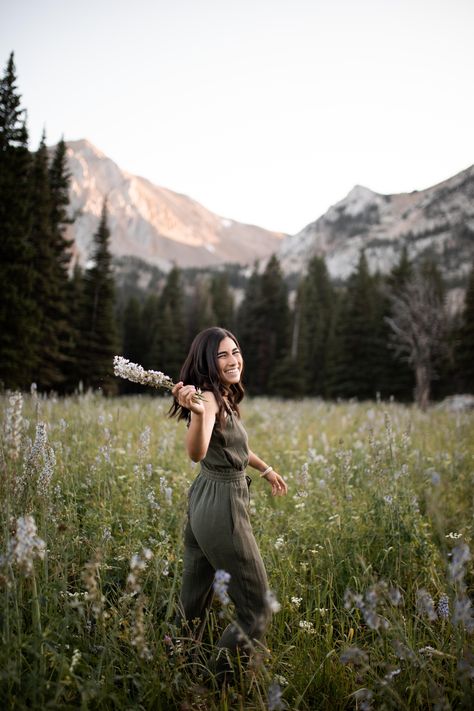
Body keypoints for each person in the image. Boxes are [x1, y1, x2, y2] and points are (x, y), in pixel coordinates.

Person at [169, 326, 288, 682]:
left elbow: (234, 446)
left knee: (193, 600)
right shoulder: (208, 400)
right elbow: (196, 452)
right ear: (208, 361)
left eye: (235, 351)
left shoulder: (221, 395)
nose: (233, 359)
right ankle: (215, 682)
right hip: (222, 507)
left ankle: (174, 665)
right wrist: (198, 412)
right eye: (223, 354)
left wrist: (265, 469)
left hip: (203, 500)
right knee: (257, 609)